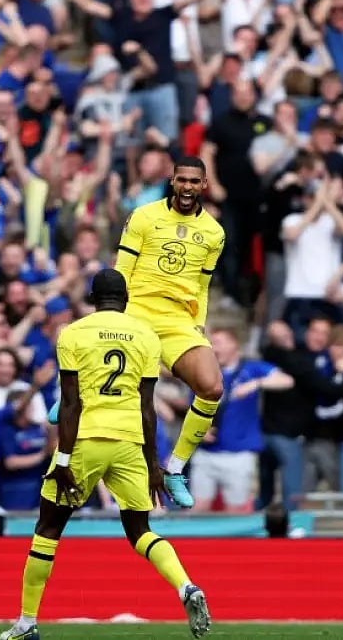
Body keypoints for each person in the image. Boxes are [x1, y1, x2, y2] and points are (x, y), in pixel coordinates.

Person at [0, 270, 211, 640]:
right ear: (126, 298)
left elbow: (69, 402)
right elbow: (148, 408)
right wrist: (153, 467)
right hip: (130, 441)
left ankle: (26, 623)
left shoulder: (74, 333)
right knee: (140, 531)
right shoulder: (145, 336)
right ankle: (186, 586)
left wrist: (63, 461)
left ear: (93, 298)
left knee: (48, 530)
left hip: (86, 439)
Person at [114, 155, 226, 508]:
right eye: (182, 180)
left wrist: (198, 323)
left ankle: (175, 468)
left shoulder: (214, 232)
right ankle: (74, 396)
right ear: (172, 181)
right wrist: (115, 316)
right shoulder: (144, 216)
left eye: (195, 181)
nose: (188, 187)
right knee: (110, 366)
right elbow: (121, 270)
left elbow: (203, 285)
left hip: (178, 320)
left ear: (204, 184)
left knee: (212, 387)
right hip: (138, 309)